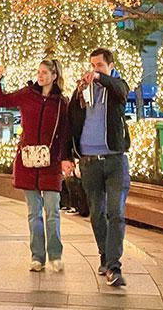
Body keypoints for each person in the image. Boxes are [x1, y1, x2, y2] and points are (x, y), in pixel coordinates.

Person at [0, 60, 70, 273]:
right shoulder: (27, 94)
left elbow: (65, 133)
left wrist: (65, 158)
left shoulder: (61, 102)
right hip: (27, 161)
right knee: (34, 212)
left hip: (50, 163)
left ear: (54, 75)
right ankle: (37, 257)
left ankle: (55, 255)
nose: (40, 76)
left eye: (45, 73)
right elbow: (1, 99)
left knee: (52, 210)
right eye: (39, 72)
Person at [64, 48, 131, 287]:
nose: (94, 69)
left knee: (116, 212)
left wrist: (101, 78)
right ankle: (105, 257)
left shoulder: (115, 87)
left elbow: (122, 91)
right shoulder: (82, 91)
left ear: (110, 66)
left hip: (115, 159)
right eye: (93, 65)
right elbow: (70, 124)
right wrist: (67, 156)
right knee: (97, 214)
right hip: (89, 161)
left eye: (100, 65)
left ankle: (114, 266)